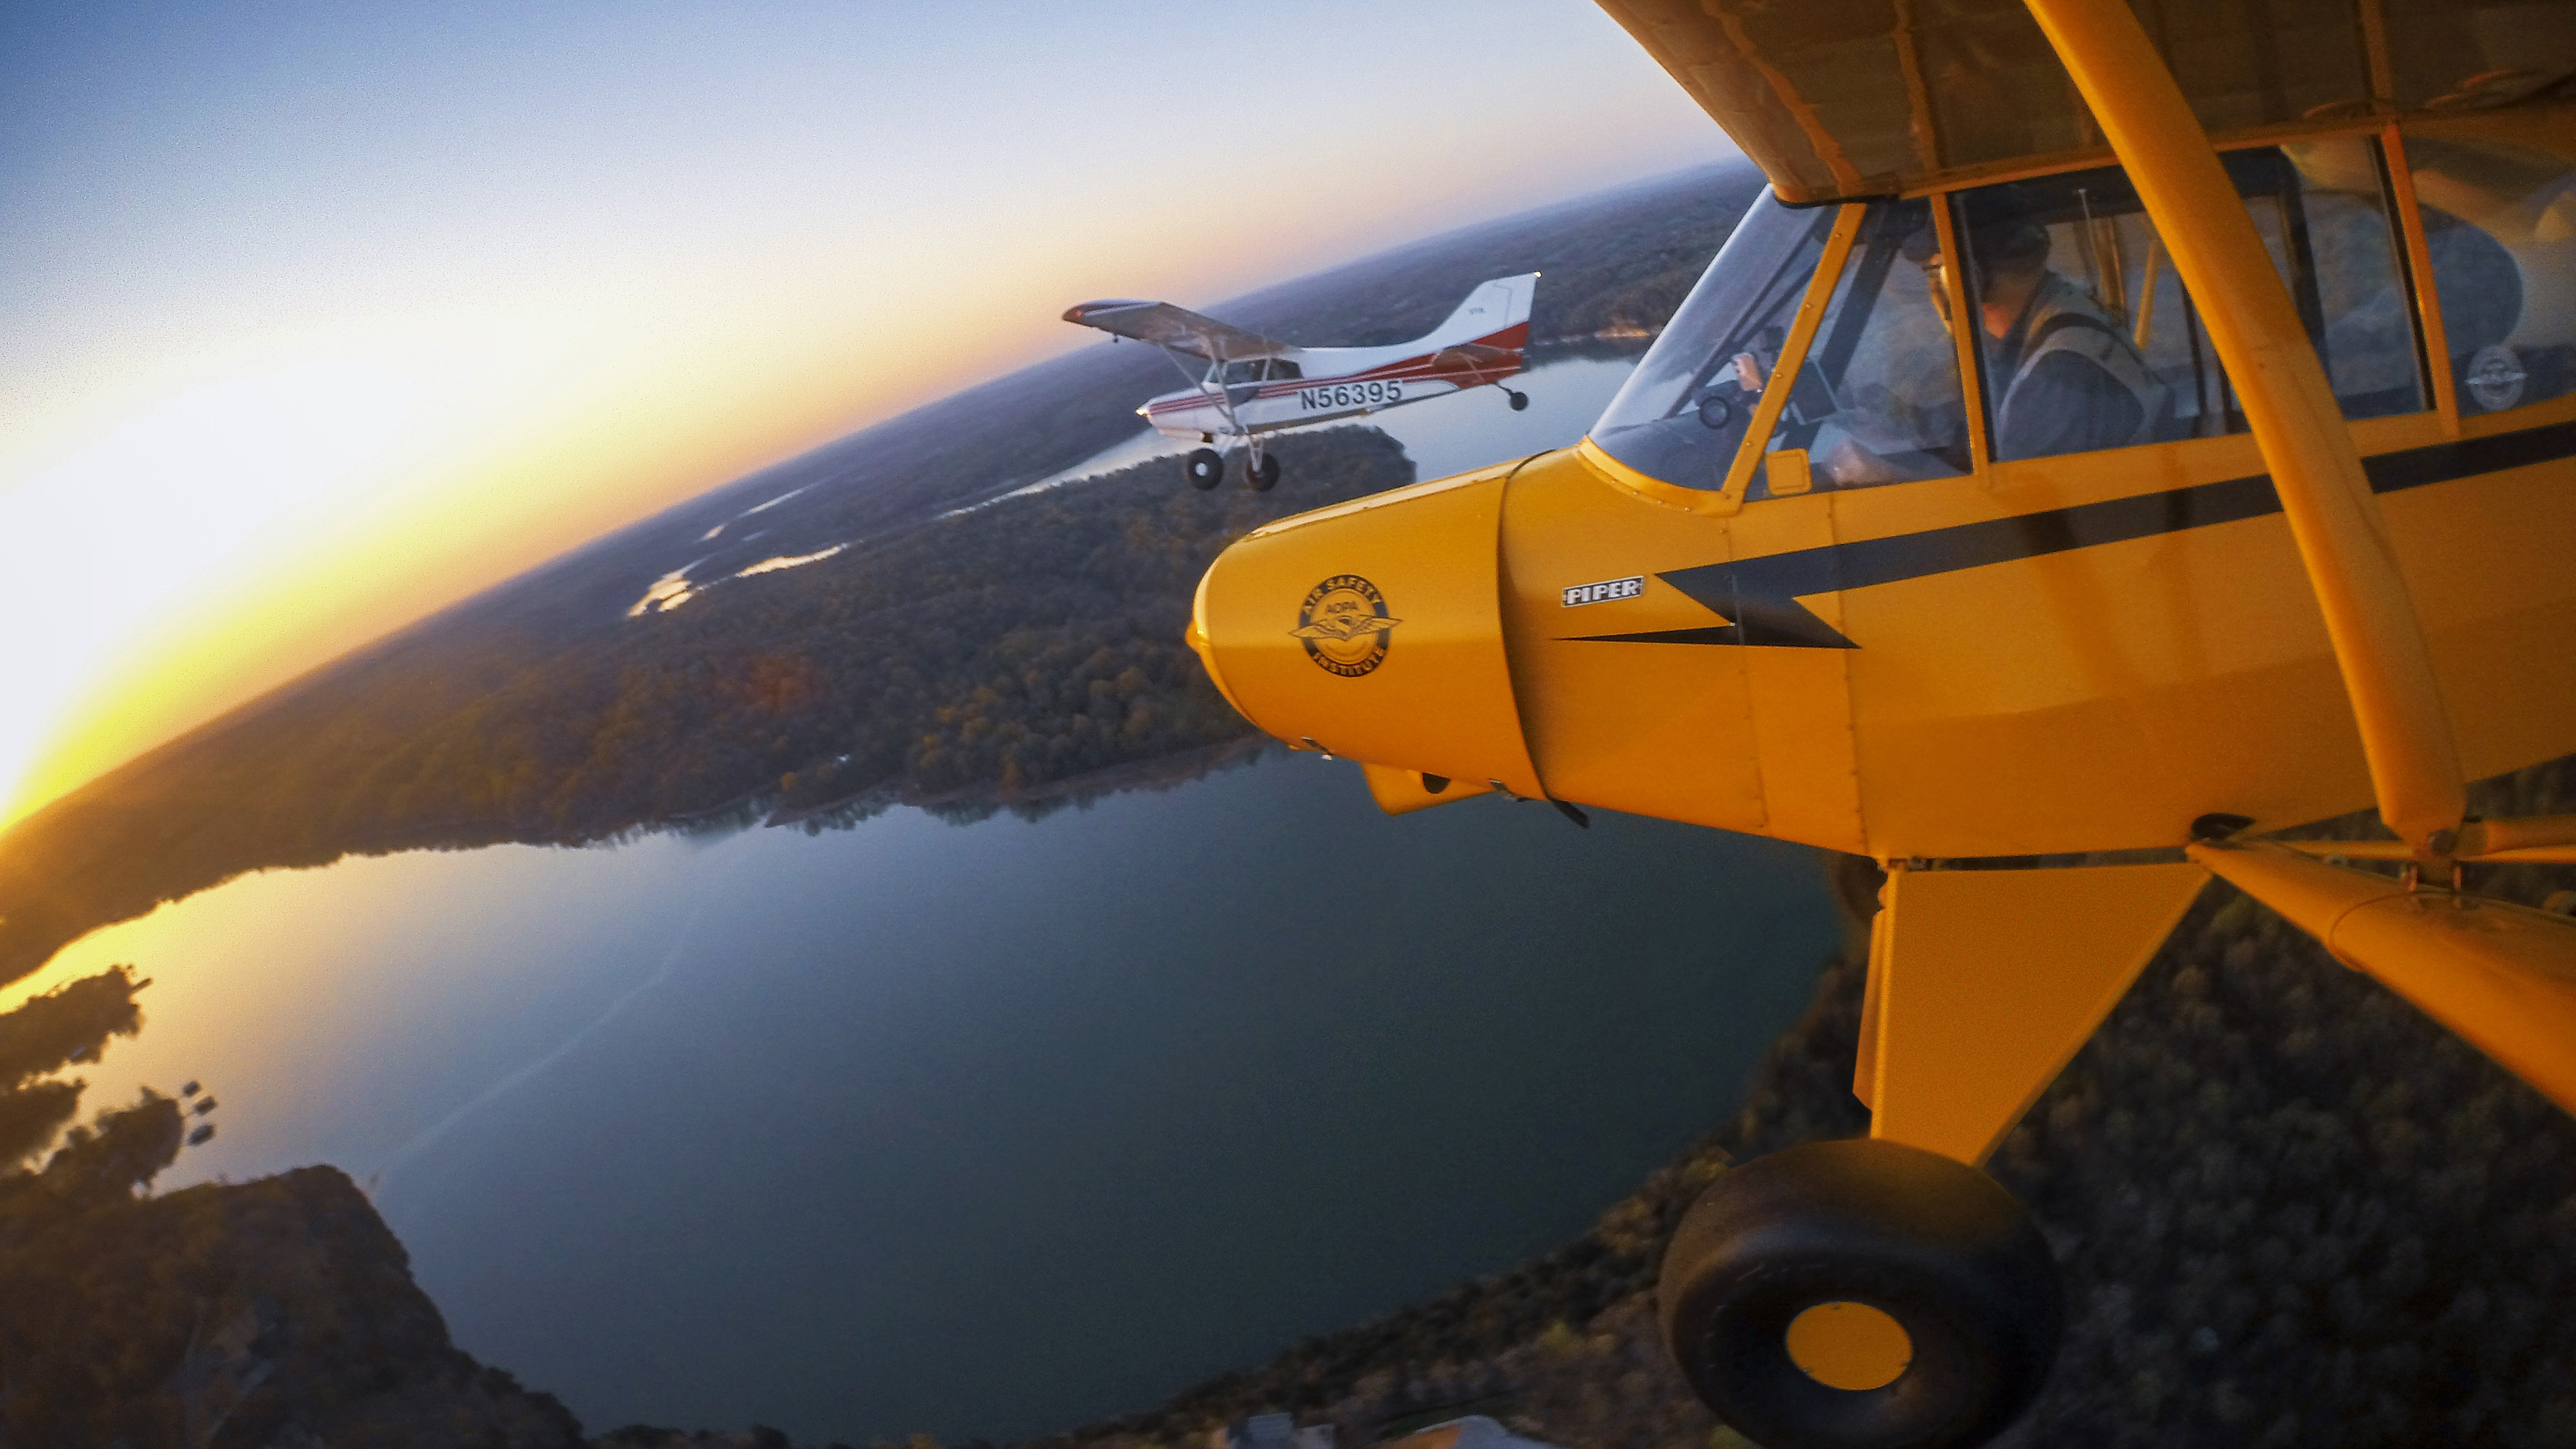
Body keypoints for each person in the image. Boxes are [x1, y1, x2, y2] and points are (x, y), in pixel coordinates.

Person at [1908, 188, 2173, 461]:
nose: (1935, 289)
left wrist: (1881, 469)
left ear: (1967, 276)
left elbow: (2022, 496)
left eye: (1936, 273)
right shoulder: (2058, 317)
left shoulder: (2060, 371)